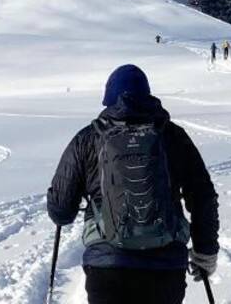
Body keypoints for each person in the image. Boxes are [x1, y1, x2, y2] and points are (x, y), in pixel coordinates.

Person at [47, 64, 219, 304]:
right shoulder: (173, 136)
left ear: (107, 98)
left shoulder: (87, 138)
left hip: (107, 267)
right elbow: (203, 196)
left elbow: (62, 211)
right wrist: (205, 251)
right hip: (166, 268)